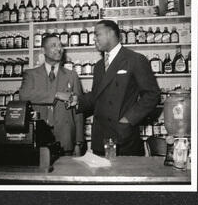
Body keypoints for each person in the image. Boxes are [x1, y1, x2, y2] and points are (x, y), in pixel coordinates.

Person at [57, 20, 160, 156]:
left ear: (111, 33)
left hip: (124, 137)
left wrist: (128, 120)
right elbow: (96, 96)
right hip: (100, 137)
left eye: (97, 34)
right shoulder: (99, 65)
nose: (94, 38)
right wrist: (76, 100)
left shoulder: (135, 59)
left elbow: (152, 95)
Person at [19, 34, 84, 156]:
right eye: (54, 45)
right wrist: (56, 95)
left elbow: (78, 111)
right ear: (43, 50)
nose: (59, 49)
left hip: (66, 138)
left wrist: (78, 142)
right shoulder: (31, 74)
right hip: (38, 136)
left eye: (60, 46)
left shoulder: (72, 75)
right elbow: (24, 95)